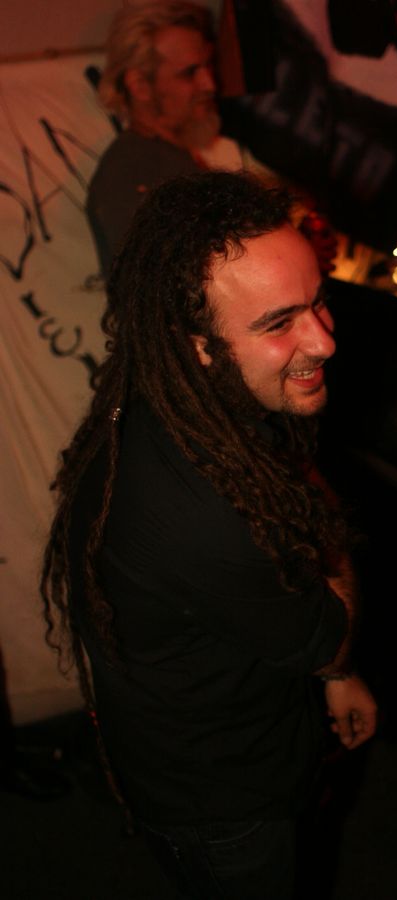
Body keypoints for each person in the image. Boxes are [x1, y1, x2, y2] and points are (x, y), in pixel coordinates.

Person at [42, 170, 377, 900]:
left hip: (207, 746)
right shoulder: (205, 516)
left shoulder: (182, 401)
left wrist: (332, 682)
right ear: (195, 345)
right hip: (229, 813)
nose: (323, 340)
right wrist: (324, 541)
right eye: (278, 323)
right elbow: (329, 632)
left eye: (319, 301)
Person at [87, 0, 337, 280]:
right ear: (140, 86)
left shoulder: (173, 158)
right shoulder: (131, 173)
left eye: (208, 66)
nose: (209, 84)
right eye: (189, 73)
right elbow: (186, 289)